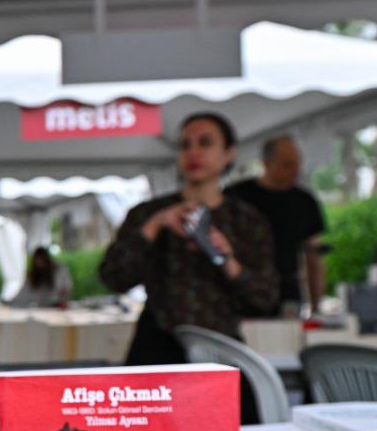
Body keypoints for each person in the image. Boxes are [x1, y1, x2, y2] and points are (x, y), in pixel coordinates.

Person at [100, 112, 278, 367]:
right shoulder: (147, 214)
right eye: (185, 145)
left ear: (228, 153)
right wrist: (153, 227)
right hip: (156, 349)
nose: (193, 152)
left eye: (205, 143)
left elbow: (265, 299)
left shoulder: (247, 220)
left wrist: (228, 261)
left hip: (220, 349)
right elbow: (113, 277)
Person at [226, 134, 328, 315]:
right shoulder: (237, 196)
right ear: (266, 164)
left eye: (297, 163)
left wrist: (316, 306)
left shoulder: (304, 201)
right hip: (242, 293)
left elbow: (313, 257)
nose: (296, 170)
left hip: (287, 294)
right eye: (287, 164)